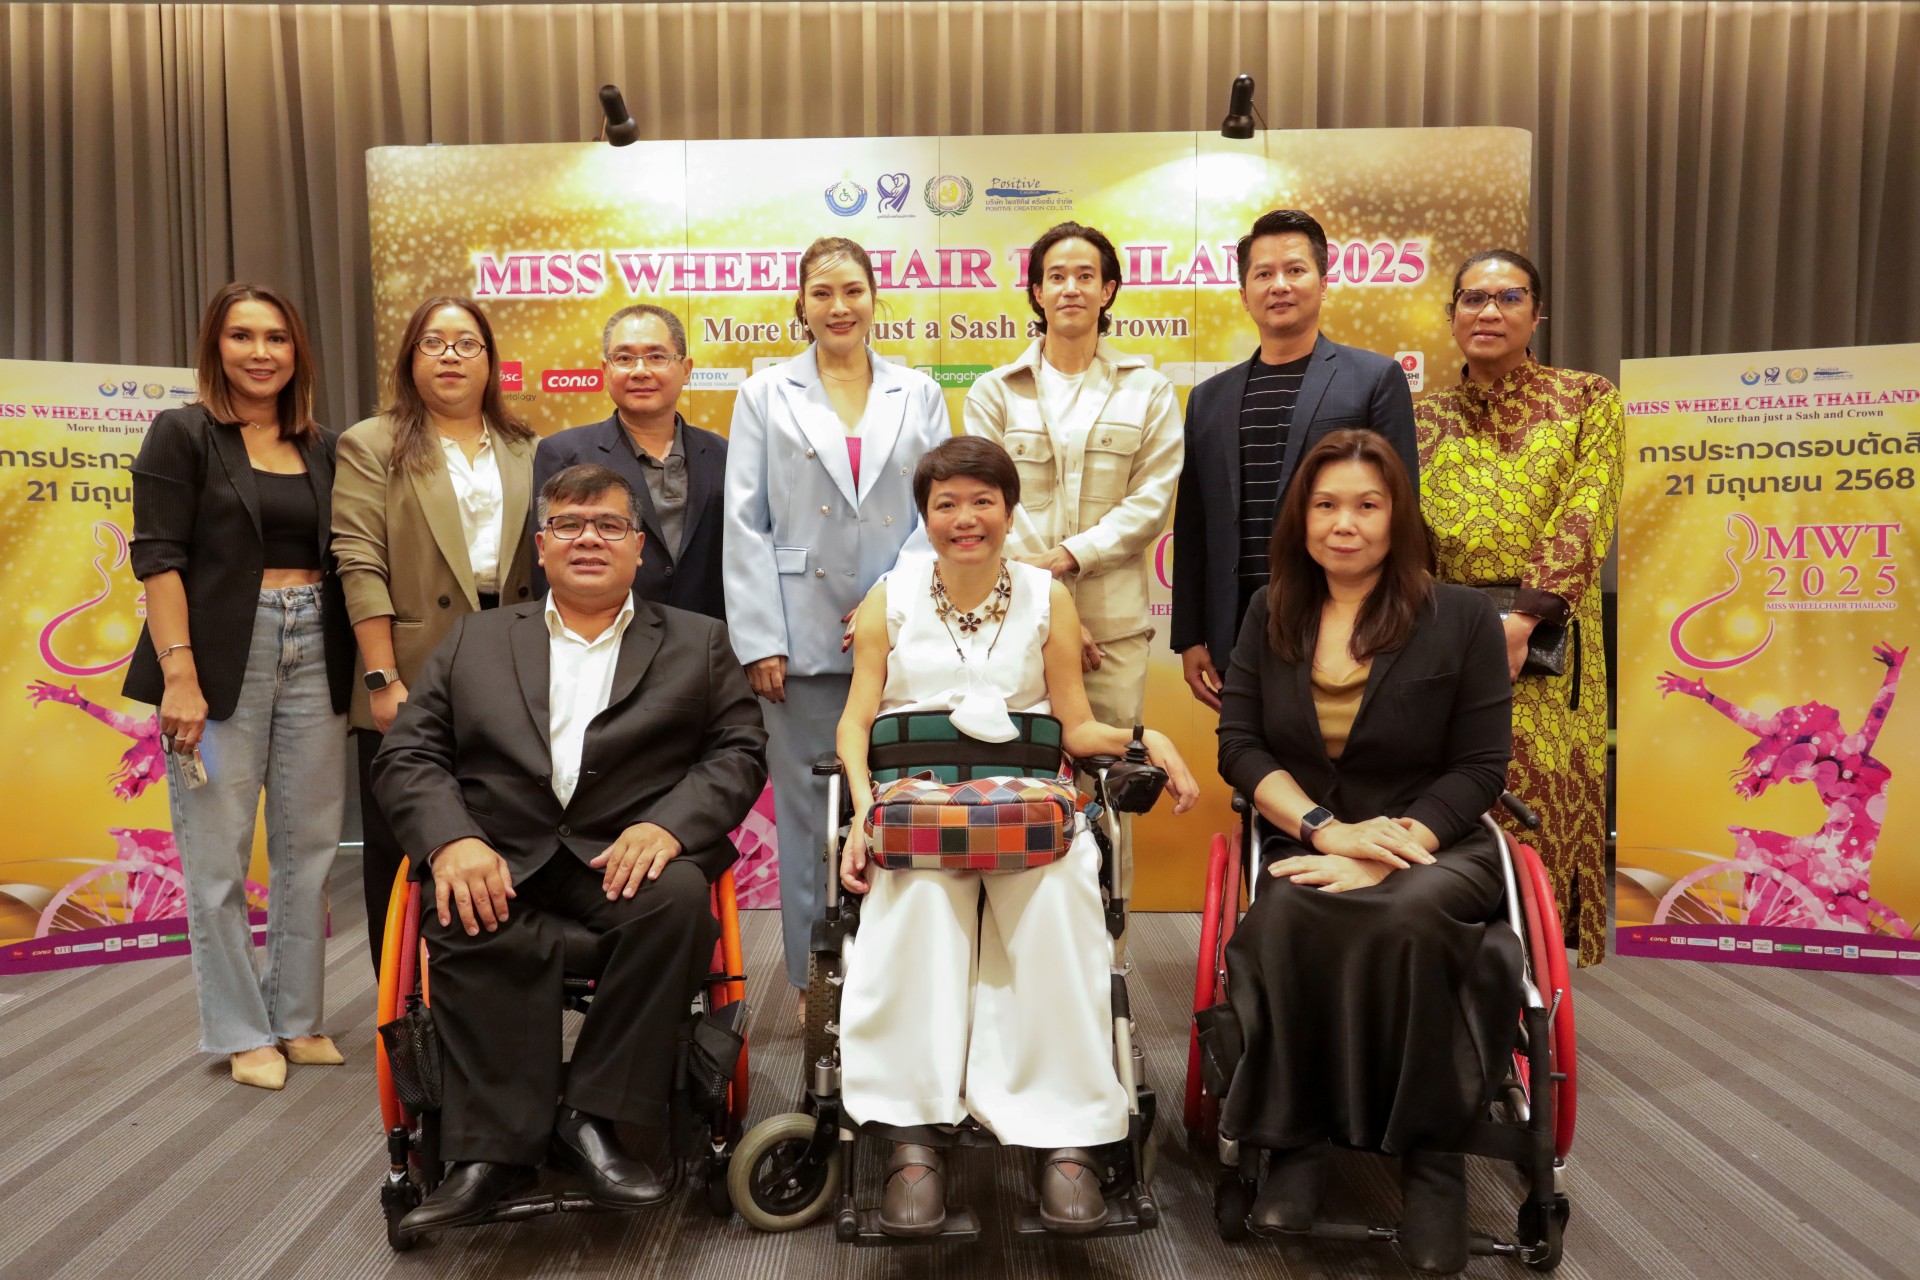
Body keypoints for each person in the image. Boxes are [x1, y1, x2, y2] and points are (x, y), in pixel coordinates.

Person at [373, 463, 766, 1231]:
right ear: (542, 546)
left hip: (623, 859)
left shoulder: (699, 642)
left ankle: (593, 1116)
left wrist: (668, 826)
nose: (589, 538)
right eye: (568, 524)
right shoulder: (476, 639)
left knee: (680, 902)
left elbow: (739, 752)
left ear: (640, 548)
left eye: (610, 525)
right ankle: (489, 1153)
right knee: (462, 908)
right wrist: (452, 840)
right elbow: (408, 754)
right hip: (499, 852)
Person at [834, 437, 1198, 1237]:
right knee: (918, 905)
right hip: (916, 808)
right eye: (946, 504)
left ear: (1008, 510)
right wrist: (862, 811)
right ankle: (912, 1139)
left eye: (982, 502)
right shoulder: (889, 596)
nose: (965, 519)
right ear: (925, 515)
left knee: (1060, 903)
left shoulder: (1047, 598)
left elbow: (1076, 725)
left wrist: (1147, 738)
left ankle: (1064, 1136)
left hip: (1029, 808)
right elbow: (856, 721)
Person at [1214, 429, 1517, 1274]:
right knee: (1286, 914)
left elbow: (1481, 766)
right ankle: (1298, 1145)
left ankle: (1434, 1167)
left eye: (1366, 505)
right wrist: (1327, 831)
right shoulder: (1270, 609)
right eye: (1325, 505)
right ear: (1301, 518)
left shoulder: (1460, 616)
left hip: (1435, 841)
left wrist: (1388, 851)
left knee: (1410, 917)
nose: (1343, 523)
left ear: (1397, 516)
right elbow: (1241, 746)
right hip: (1317, 834)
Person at [124, 282, 355, 1090]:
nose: (261, 353)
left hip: (315, 645)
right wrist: (179, 673)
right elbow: (159, 558)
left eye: (276, 338)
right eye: (242, 336)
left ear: (298, 352)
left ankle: (296, 1017)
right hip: (222, 655)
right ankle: (238, 1029)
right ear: (215, 348)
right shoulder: (182, 433)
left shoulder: (323, 445)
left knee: (310, 849)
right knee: (218, 855)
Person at [722, 235, 951, 994]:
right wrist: (760, 639)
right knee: (809, 824)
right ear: (801, 305)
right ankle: (813, 984)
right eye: (822, 293)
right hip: (800, 639)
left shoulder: (918, 393)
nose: (839, 306)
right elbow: (745, 523)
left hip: (903, 632)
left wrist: (891, 597)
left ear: (875, 298)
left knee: (904, 812)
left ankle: (898, 982)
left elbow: (939, 510)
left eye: (852, 290)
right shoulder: (764, 394)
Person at [962, 221, 1183, 935]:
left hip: (1112, 632)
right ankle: (1017, 947)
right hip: (1014, 625)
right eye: (1056, 276)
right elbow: (987, 502)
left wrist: (1065, 562)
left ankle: (1107, 951)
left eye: (1086, 275)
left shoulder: (1147, 390)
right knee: (1016, 788)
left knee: (1112, 792)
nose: (1070, 288)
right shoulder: (994, 392)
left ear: (1109, 289)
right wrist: (1054, 606)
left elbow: (1150, 503)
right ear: (1035, 291)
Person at [1415, 248, 1624, 966]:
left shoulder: (1587, 399)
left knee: (1537, 805)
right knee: (1447, 796)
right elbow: (1405, 536)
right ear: (1451, 315)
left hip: (1547, 640)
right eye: (1473, 298)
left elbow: (1588, 511)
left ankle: (1533, 975)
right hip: (1443, 635)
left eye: (1508, 297)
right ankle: (1445, 962)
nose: (1489, 311)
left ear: (1537, 314)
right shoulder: (1419, 417)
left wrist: (1524, 619)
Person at [332, 295, 538, 970]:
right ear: (410, 358)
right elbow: (359, 562)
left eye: (466, 343)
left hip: (513, 663)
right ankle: (404, 1007)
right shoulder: (372, 443)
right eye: (433, 342)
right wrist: (381, 677)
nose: (451, 356)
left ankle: (489, 995)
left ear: (490, 361)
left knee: (501, 837)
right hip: (411, 667)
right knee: (402, 849)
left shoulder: (527, 447)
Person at [1173, 209, 1419, 710]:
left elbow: (1401, 508)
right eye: (1263, 274)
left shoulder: (1374, 379)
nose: (1279, 285)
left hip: (1346, 619)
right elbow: (1194, 525)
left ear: (1323, 284)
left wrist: (1395, 620)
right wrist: (1191, 635)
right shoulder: (1208, 399)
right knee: (1246, 752)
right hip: (1237, 629)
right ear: (1244, 295)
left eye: (1295, 270)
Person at [532, 303, 727, 619]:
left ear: (686, 369)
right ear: (605, 370)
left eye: (656, 357)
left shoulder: (724, 454)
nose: (640, 371)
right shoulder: (564, 453)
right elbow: (547, 566)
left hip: (708, 634)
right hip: (606, 632)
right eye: (623, 358)